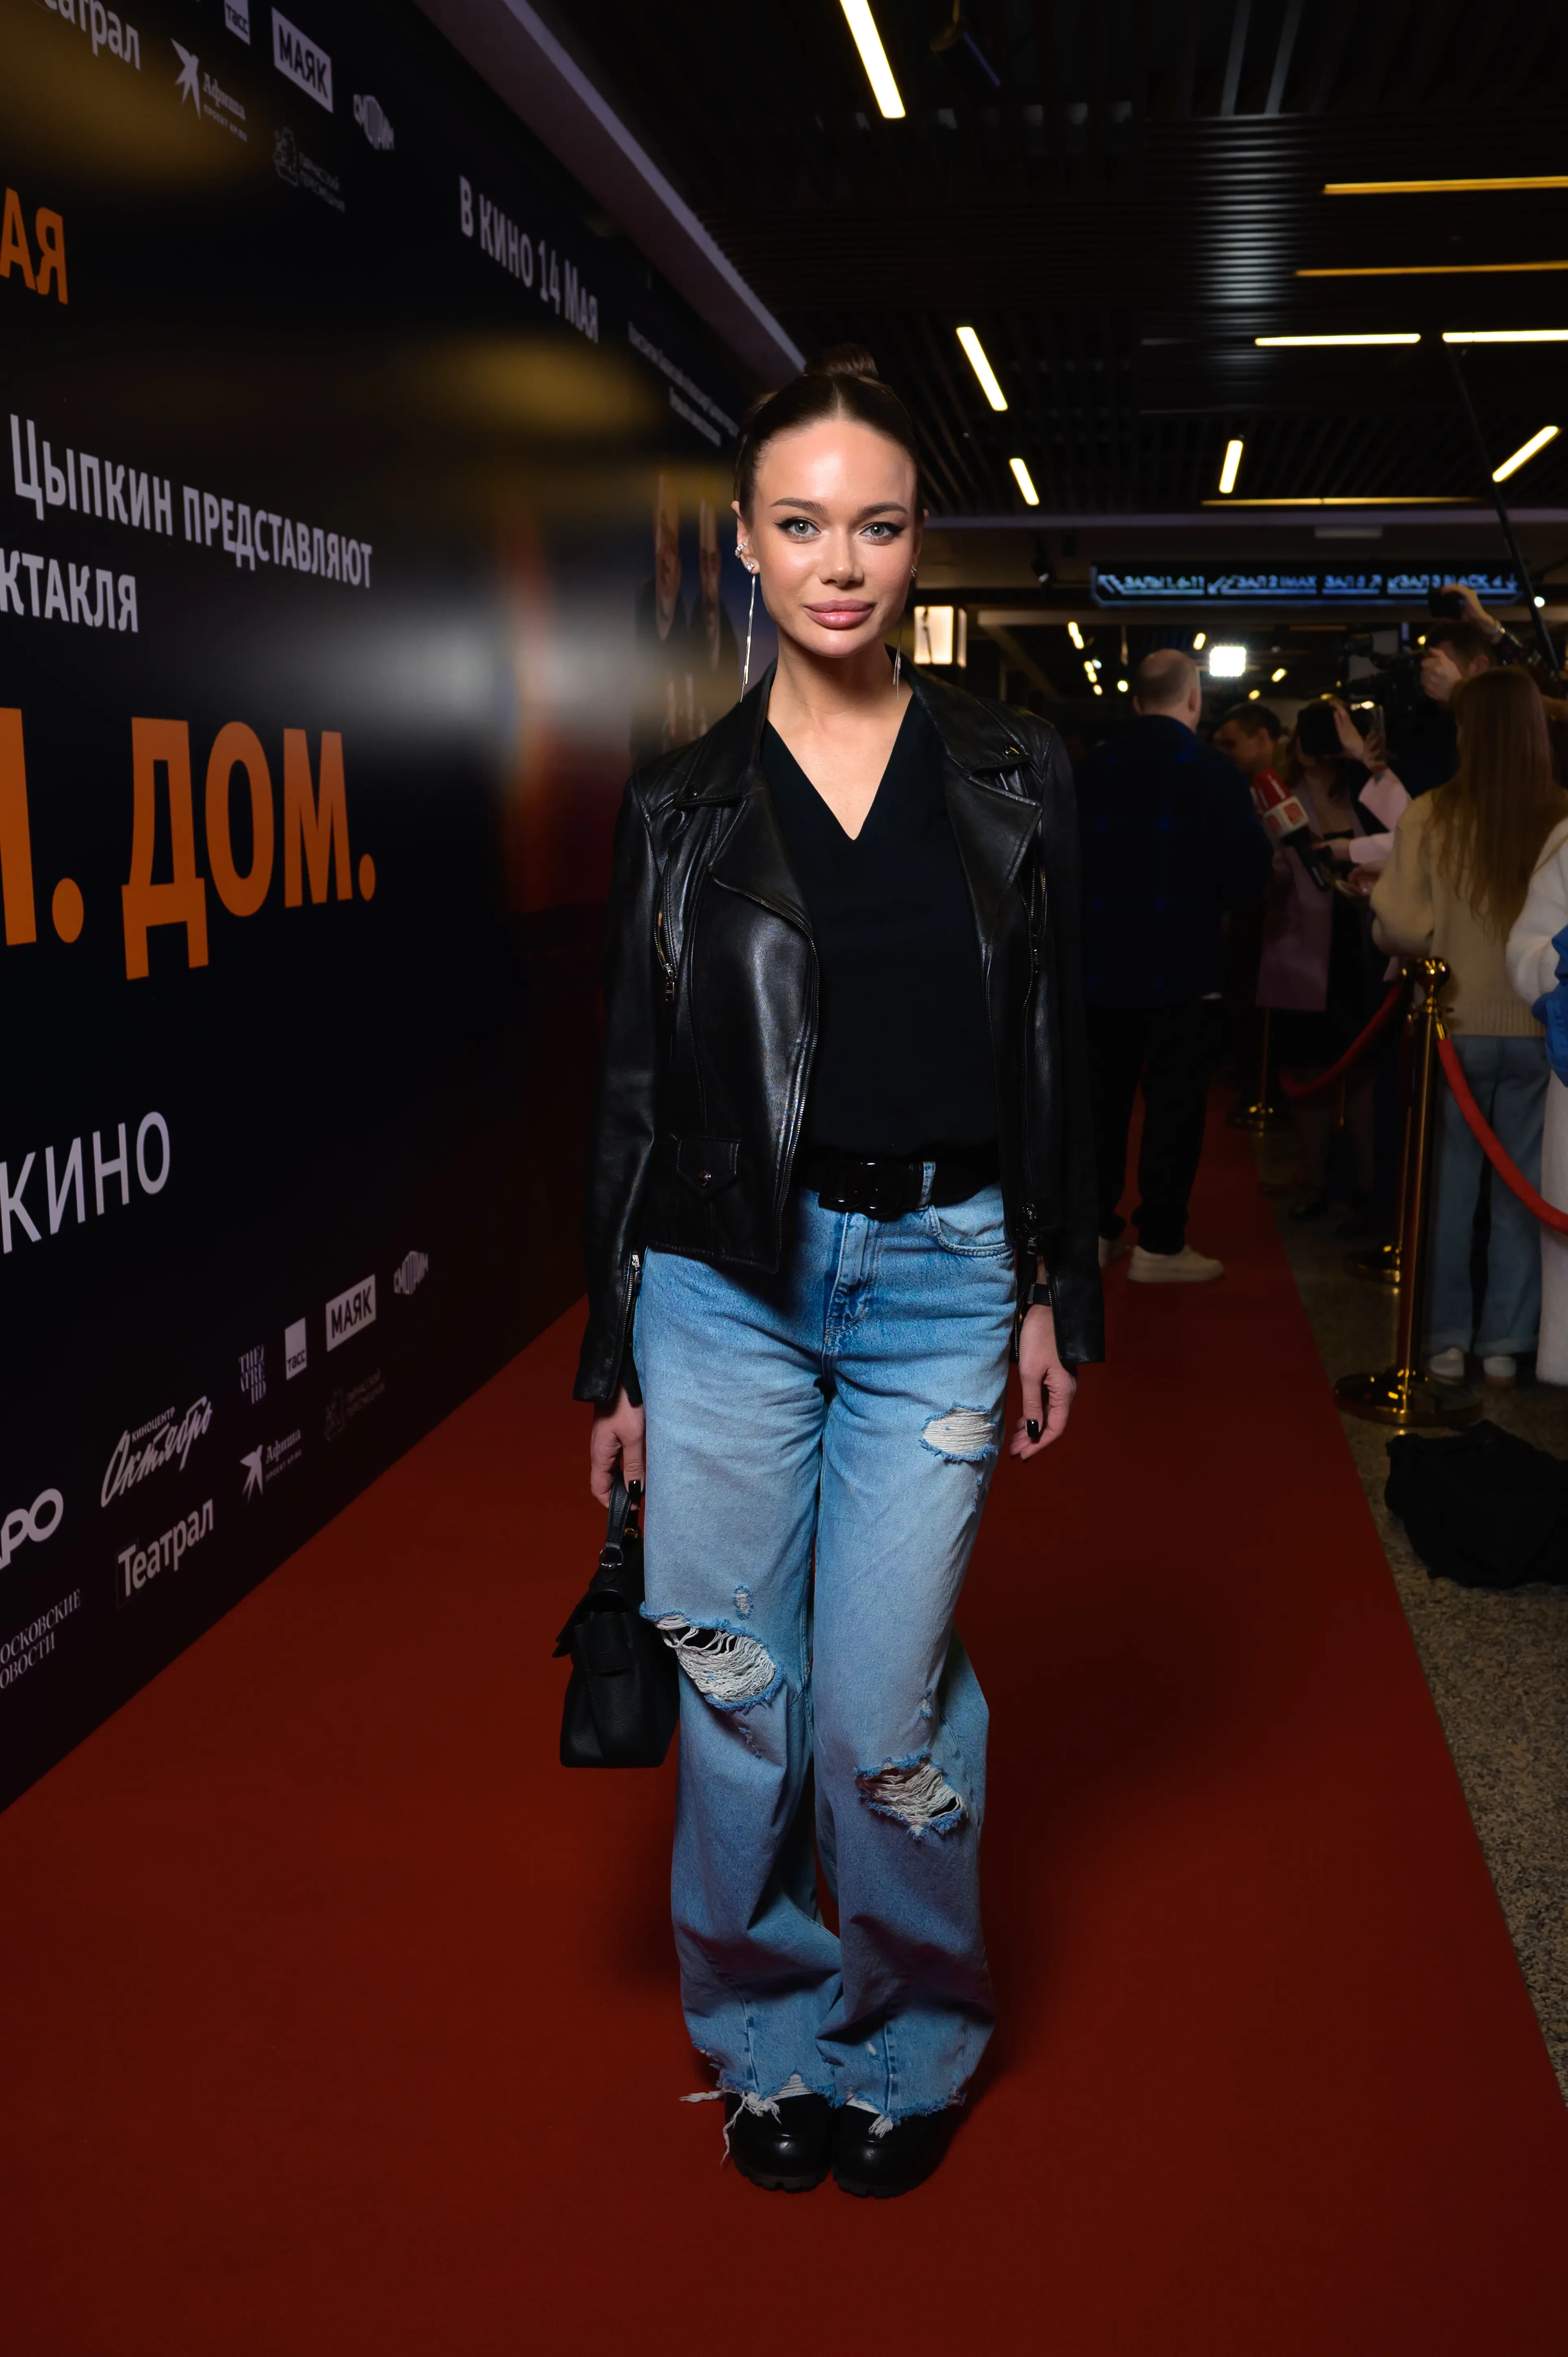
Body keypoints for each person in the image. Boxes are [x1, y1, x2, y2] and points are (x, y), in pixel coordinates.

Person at [575, 345, 1102, 2200]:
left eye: (874, 526)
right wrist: (612, 1363)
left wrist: (1052, 1287)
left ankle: (914, 2031)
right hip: (723, 1287)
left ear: (914, 540)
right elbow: (631, 1095)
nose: (839, 562)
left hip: (945, 1278)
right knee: (738, 1693)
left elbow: (1054, 1047)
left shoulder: (1010, 771)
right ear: (744, 540)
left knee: (881, 1710)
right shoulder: (679, 803)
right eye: (800, 525)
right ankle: (765, 2033)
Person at [1375, 669, 1568, 1385]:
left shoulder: (1431, 813)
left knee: (1447, 1191)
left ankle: (1444, 1341)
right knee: (1525, 1191)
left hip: (1450, 1025)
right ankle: (1506, 1343)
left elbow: (1401, 924)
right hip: (1541, 1033)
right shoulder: (1561, 818)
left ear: (1466, 733)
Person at [1075, 648, 1271, 1282]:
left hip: (1095, 970)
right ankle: (1158, 1245)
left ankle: (1094, 1233)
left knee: (1098, 1109)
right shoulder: (1213, 770)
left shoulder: (1090, 769)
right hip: (1183, 968)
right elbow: (1248, 875)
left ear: (1135, 702)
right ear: (1194, 699)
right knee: (1174, 1110)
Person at [1257, 701, 1383, 1220]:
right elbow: (1265, 876)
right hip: (1301, 950)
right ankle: (1315, 1180)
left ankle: (1370, 1186)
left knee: (1365, 1072)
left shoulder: (1370, 792)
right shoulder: (1276, 798)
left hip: (1367, 944)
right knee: (1309, 1070)